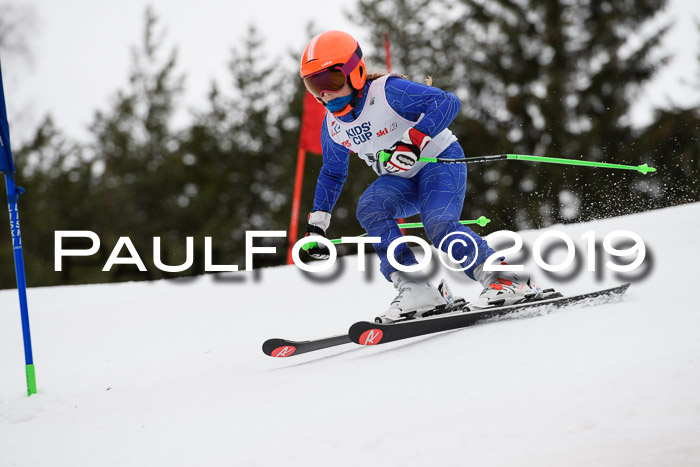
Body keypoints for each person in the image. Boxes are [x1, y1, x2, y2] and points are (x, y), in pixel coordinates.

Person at [299, 30, 551, 322]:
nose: (323, 93)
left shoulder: (387, 92)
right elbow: (332, 172)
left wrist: (414, 139)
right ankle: (418, 290)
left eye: (330, 80)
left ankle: (506, 279)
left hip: (440, 162)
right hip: (401, 180)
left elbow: (448, 102)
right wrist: (317, 225)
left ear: (355, 73)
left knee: (439, 224)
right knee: (371, 207)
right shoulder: (333, 126)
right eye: (312, 84)